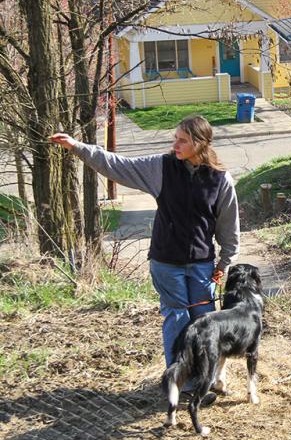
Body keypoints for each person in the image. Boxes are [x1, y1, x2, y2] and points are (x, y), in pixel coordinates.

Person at [50, 116, 240, 378]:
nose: (175, 144)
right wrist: (78, 147)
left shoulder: (220, 180)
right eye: (175, 138)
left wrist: (224, 263)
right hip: (166, 263)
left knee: (204, 321)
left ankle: (204, 380)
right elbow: (117, 165)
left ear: (200, 143)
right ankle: (179, 381)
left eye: (182, 140)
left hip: (201, 265)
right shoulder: (161, 168)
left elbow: (229, 228)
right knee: (177, 318)